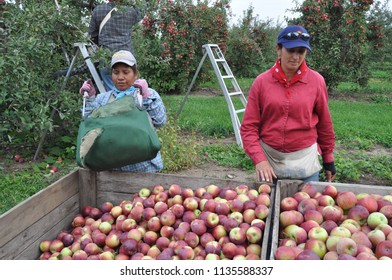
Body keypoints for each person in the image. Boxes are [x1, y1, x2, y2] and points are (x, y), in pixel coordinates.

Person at [240, 25, 337, 184]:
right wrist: (259, 160)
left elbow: (325, 124)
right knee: (268, 206)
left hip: (304, 161)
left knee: (306, 206)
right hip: (270, 162)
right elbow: (249, 127)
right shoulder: (262, 82)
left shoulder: (316, 82)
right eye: (290, 50)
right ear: (278, 49)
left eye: (301, 51)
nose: (295, 56)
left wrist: (328, 158)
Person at [79, 50, 167, 173]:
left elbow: (160, 121)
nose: (120, 77)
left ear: (135, 74)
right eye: (116, 72)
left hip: (142, 166)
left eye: (126, 72)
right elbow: (89, 127)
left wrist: (146, 96)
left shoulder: (143, 95)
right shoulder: (103, 99)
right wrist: (89, 99)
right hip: (112, 166)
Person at [88, 0, 145, 91]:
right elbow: (142, 10)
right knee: (130, 91)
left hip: (106, 57)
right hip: (126, 58)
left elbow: (91, 36)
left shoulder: (98, 11)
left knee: (111, 93)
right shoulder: (131, 11)